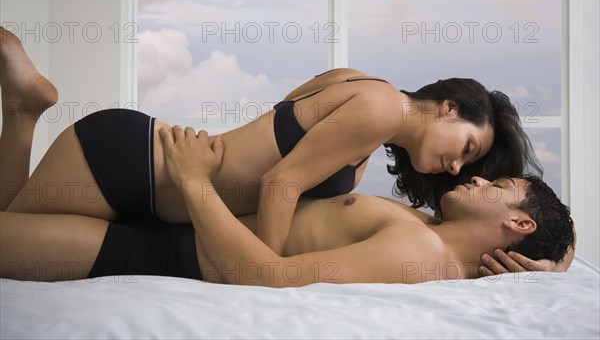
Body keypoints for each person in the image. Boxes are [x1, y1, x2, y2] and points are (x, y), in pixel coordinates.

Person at [0, 26, 541, 257]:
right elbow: (279, 182)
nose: (455, 167)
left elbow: (273, 139)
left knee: (11, 230)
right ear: (449, 107)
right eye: (468, 147)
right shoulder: (380, 107)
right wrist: (262, 273)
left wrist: (550, 257)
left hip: (146, 174)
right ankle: (23, 108)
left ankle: (21, 112)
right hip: (133, 168)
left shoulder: (362, 97)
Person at [0, 125, 575, 285]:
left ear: (518, 221)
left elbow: (269, 275)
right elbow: (555, 234)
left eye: (497, 187)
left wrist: (195, 181)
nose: (476, 181)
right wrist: (557, 263)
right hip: (168, 217)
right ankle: (21, 114)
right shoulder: (430, 233)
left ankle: (20, 117)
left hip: (165, 250)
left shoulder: (419, 250)